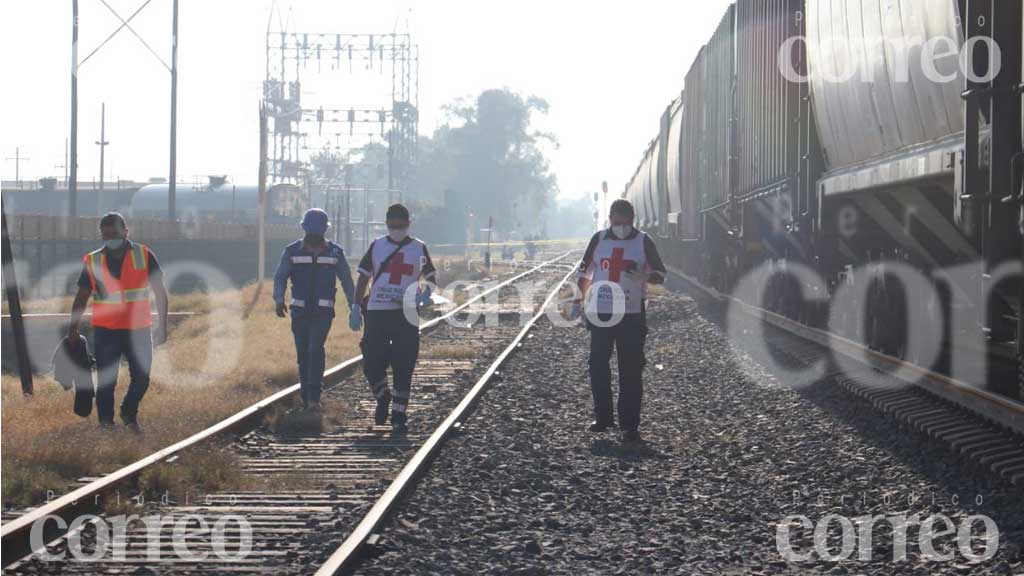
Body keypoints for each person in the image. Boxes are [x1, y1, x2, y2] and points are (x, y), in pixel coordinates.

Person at [571, 199, 666, 443]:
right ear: (610, 220)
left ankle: (629, 425)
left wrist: (644, 276)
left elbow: (661, 275)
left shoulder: (643, 241)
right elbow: (584, 273)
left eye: (625, 223)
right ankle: (603, 418)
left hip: (631, 314)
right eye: (616, 222)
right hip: (601, 312)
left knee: (631, 369)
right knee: (598, 365)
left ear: (632, 220)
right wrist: (577, 301)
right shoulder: (599, 239)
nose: (620, 227)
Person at [68, 212, 169, 432]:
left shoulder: (144, 254)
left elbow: (160, 292)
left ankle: (128, 412)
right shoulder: (93, 260)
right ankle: (106, 424)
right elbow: (82, 296)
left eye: (114, 233)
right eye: (106, 235)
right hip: (107, 331)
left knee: (142, 379)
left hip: (139, 329)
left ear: (125, 231)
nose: (110, 238)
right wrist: (72, 328)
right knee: (106, 383)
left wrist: (163, 325)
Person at [353, 203, 436, 433]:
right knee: (371, 360)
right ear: (387, 224)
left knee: (404, 363)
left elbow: (430, 277)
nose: (397, 229)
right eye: (393, 226)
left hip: (406, 314)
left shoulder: (419, 248)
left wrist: (424, 295)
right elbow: (363, 277)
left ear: (409, 224)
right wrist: (355, 305)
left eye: (401, 226)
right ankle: (382, 396)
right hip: (377, 311)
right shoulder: (377, 246)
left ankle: (399, 414)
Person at [274, 208, 358, 412]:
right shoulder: (291, 251)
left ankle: (314, 398)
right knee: (303, 354)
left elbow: (347, 280)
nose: (314, 235)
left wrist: (354, 306)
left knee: (315, 349)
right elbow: (280, 277)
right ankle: (307, 397)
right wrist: (278, 299)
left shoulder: (335, 252)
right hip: (299, 311)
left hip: (323, 312)